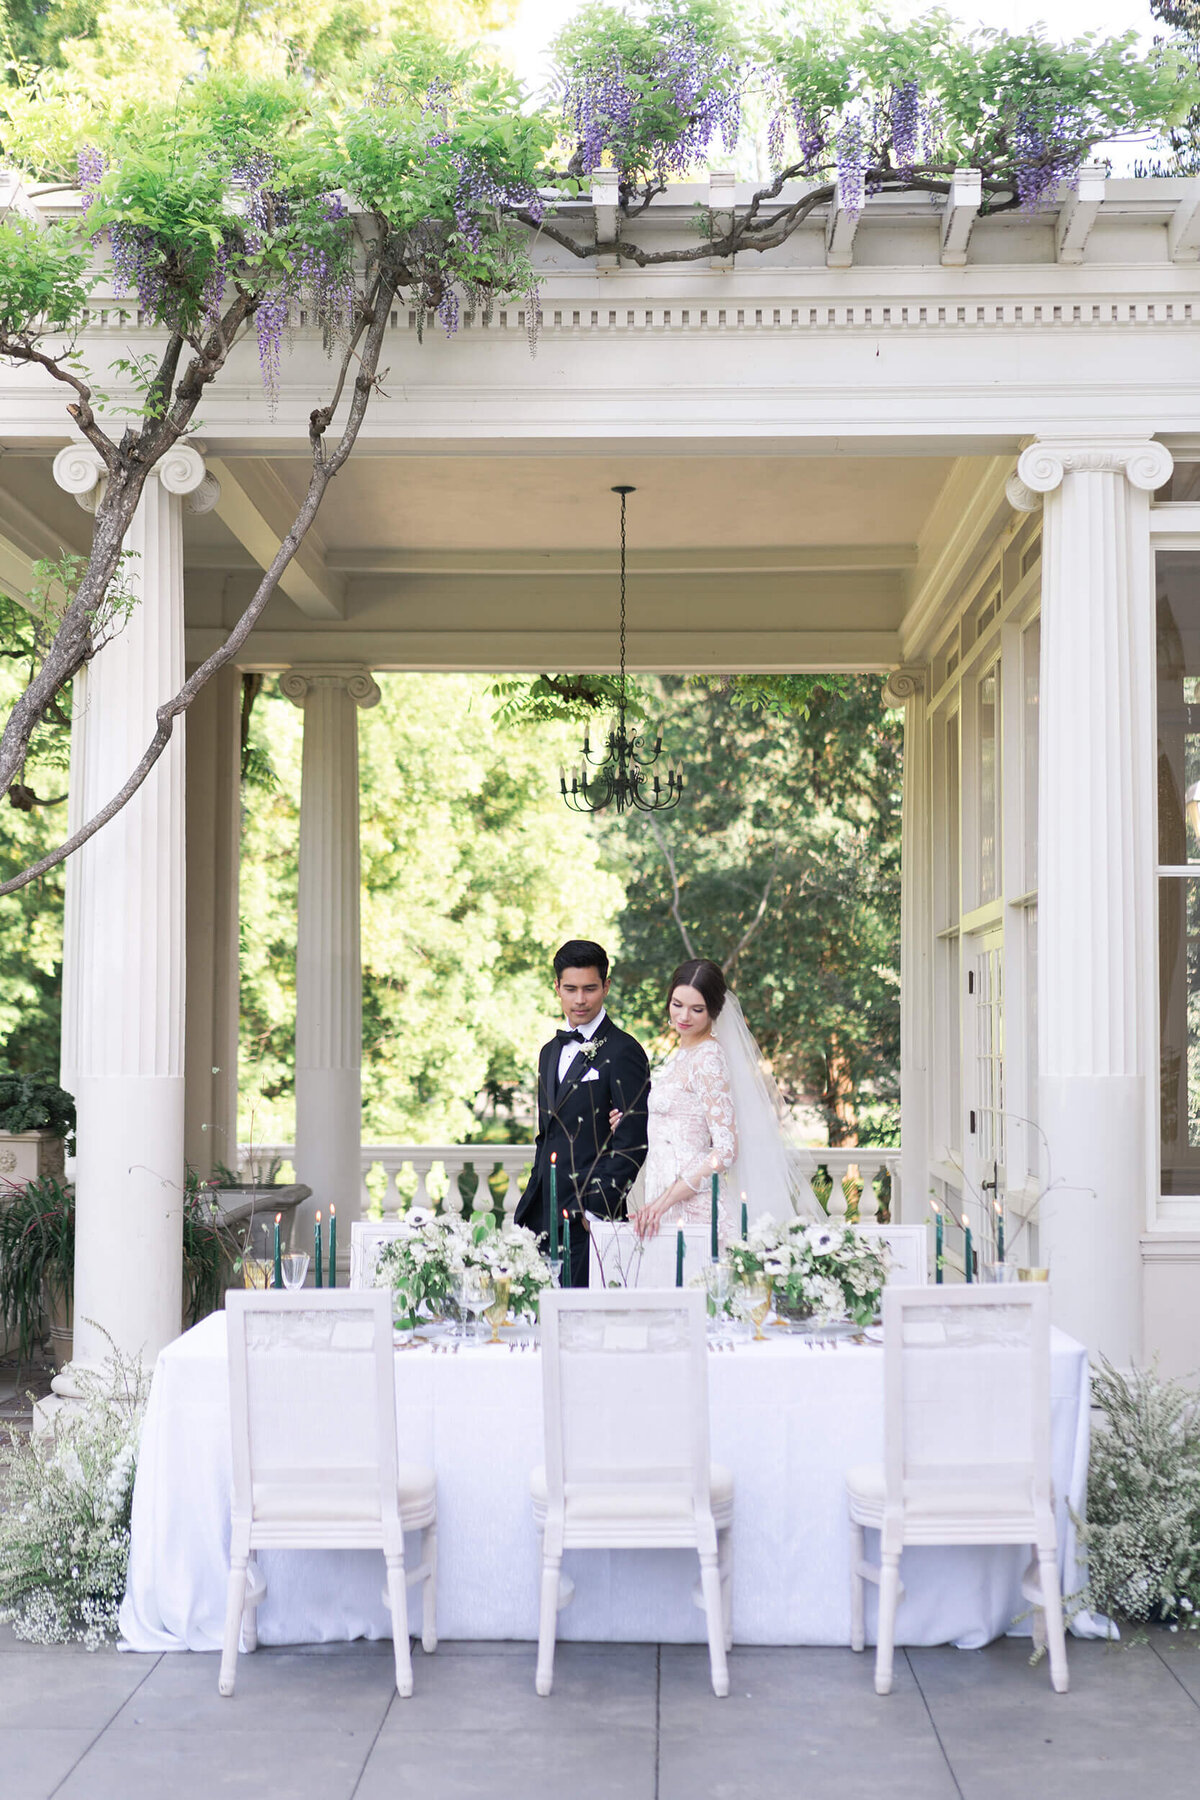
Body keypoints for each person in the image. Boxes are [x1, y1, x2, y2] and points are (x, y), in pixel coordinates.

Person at [621, 957, 818, 1241]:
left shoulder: (708, 1058)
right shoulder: (683, 1054)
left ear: (714, 1010)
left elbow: (726, 1150)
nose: (684, 1017)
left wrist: (665, 1200)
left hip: (693, 1208)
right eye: (677, 1004)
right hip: (663, 1202)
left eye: (696, 1009)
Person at [514, 939, 650, 1288]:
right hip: (541, 1212)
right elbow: (547, 1135)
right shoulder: (548, 1052)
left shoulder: (625, 1051)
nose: (580, 1000)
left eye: (590, 989)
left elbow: (632, 1139)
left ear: (606, 986)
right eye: (570, 989)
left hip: (590, 1218)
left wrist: (596, 1210)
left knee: (584, 1319)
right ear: (556, 987)